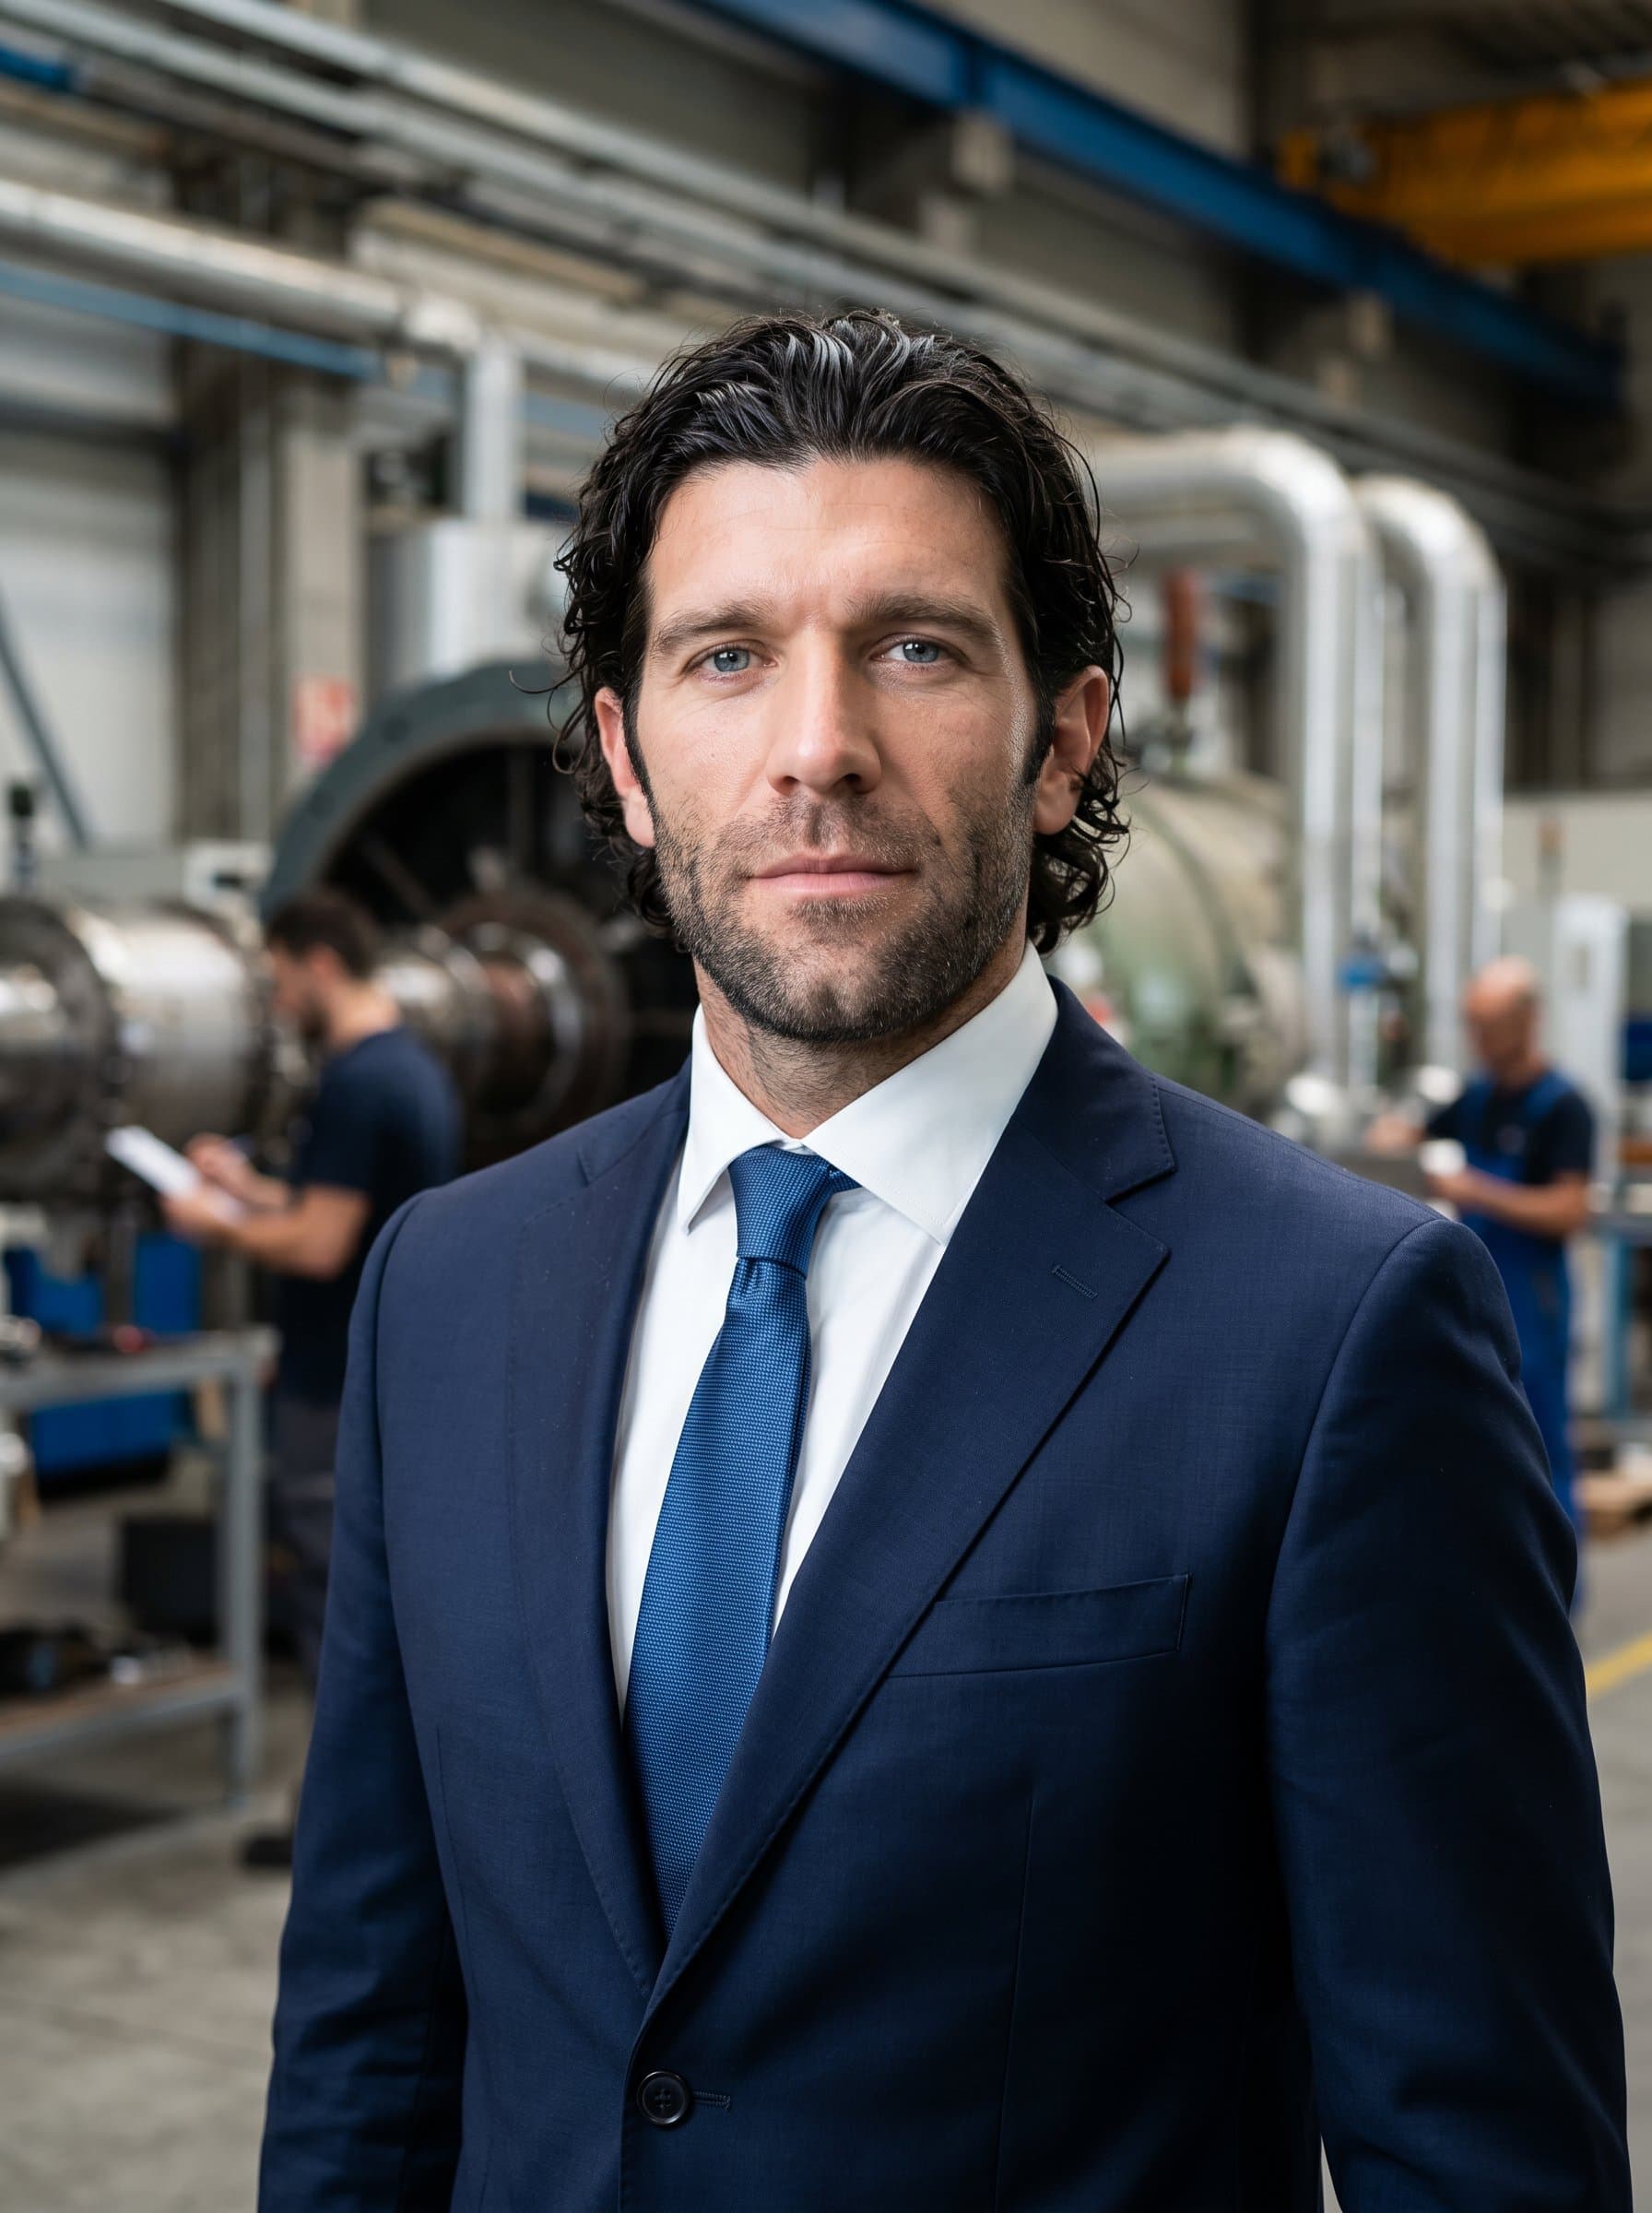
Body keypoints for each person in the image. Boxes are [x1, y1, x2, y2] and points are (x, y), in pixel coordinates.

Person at [259, 314, 1626, 2210]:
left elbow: (1476, 2151)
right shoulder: (448, 1291)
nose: (815, 749)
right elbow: (371, 2032)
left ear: (1060, 742)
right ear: (625, 758)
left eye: (914, 648)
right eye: (724, 657)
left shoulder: (1329, 1332)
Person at [164, 887, 461, 1864]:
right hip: (390, 1375)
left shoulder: (354, 1082)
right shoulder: (409, 1067)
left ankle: (342, 1834)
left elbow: (321, 1244)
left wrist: (212, 1225)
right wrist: (250, 1191)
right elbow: (339, 1209)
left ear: (319, 963)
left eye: (280, 978)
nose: (276, 999)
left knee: (339, 1610)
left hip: (334, 1387)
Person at [1371, 956, 1595, 1536]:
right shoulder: (1476, 1098)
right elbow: (1414, 1135)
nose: (1479, 1039)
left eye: (1490, 1026)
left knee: (1540, 1446)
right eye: (1472, 1025)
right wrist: (1391, 1137)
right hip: (1471, 1291)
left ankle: (1561, 1584)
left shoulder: (1563, 1108)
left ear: (1528, 1021)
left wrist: (1476, 1190)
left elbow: (1569, 1210)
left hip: (1532, 1299)